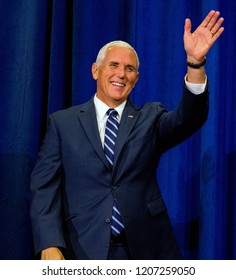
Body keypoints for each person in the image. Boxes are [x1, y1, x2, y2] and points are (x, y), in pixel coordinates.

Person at [30, 10, 224, 260]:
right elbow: (44, 189)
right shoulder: (62, 123)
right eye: (114, 65)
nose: (121, 74)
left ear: (137, 78)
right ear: (95, 70)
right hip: (83, 249)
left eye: (129, 68)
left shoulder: (150, 117)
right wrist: (49, 243)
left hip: (146, 249)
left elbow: (189, 119)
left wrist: (195, 64)